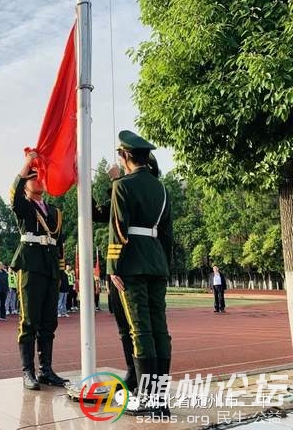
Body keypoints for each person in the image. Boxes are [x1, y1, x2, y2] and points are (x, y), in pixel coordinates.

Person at [107, 130, 172, 416]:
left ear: (125, 156)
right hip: (157, 263)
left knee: (140, 330)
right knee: (160, 330)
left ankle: (147, 398)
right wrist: (164, 264)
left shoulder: (122, 185)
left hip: (132, 263)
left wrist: (113, 266)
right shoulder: (161, 188)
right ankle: (160, 399)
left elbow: (118, 228)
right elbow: (167, 234)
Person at [10, 151, 67, 390]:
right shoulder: (24, 206)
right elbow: (13, 196)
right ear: (26, 184)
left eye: (40, 177)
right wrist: (26, 165)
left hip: (50, 268)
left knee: (48, 321)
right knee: (29, 321)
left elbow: (59, 244)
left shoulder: (54, 212)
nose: (39, 180)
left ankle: (46, 370)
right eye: (33, 178)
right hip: (30, 266)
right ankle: (28, 371)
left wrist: (61, 273)